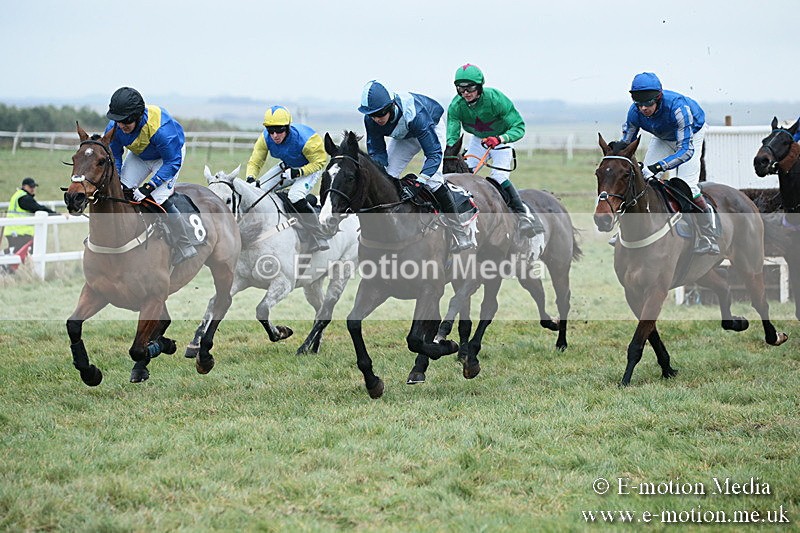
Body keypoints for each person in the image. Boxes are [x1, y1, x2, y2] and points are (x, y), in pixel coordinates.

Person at [358, 79, 472, 252]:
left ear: (391, 106)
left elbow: (433, 154)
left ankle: (458, 231)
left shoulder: (416, 115)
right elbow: (377, 153)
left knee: (433, 181)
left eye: (380, 113)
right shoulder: (371, 119)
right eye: (372, 115)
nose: (377, 119)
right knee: (387, 177)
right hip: (405, 135)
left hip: (430, 127)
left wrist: (420, 181)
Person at [620, 72, 719, 255]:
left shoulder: (678, 108)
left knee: (687, 185)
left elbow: (686, 151)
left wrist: (658, 167)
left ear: (658, 97)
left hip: (691, 136)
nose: (643, 108)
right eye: (639, 103)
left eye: (648, 103)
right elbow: (626, 145)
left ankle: (709, 234)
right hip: (663, 137)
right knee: (642, 179)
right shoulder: (634, 112)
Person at [446, 63, 543, 239]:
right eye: (461, 89)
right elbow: (452, 135)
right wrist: (450, 152)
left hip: (501, 139)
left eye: (470, 88)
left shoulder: (496, 99)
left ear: (480, 86)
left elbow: (519, 127)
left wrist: (500, 139)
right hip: (478, 140)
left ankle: (524, 216)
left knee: (498, 177)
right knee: (466, 175)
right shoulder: (456, 105)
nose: (465, 93)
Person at [104, 86, 197, 264]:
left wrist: (148, 187)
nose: (121, 126)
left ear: (137, 117)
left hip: (168, 157)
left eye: (125, 122)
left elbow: (172, 162)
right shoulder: (114, 127)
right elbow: (115, 154)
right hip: (140, 155)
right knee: (121, 192)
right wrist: (115, 177)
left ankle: (185, 243)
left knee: (157, 199)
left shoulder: (161, 129)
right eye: (118, 121)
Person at [245, 105, 330, 252]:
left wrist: (298, 172)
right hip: (287, 166)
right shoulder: (265, 138)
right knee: (257, 192)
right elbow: (255, 161)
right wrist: (251, 178)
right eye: (271, 130)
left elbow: (320, 162)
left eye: (279, 130)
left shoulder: (306, 140)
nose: (275, 135)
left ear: (288, 127)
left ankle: (318, 233)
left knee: (295, 195)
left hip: (310, 168)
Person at [4, 177, 60, 254]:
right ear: (24, 186)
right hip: (20, 233)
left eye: (34, 187)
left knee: (16, 254)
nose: (33, 189)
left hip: (14, 232)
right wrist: (57, 214)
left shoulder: (18, 195)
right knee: (21, 255)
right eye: (31, 187)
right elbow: (38, 208)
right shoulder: (24, 198)